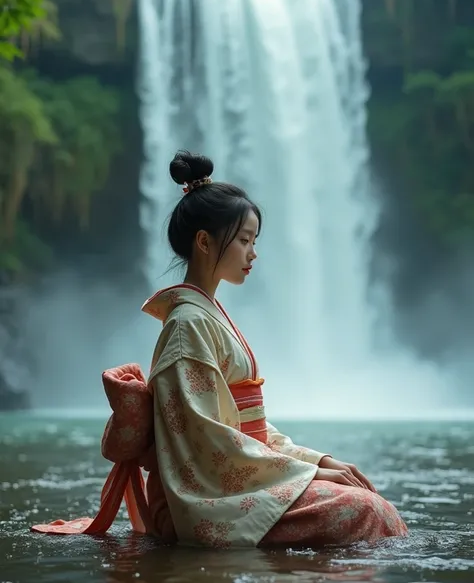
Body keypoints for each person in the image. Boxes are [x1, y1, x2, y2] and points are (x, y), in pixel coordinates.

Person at [31, 149, 408, 548]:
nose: (253, 253)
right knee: (366, 512)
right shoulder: (187, 325)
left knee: (370, 503)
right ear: (204, 242)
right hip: (202, 500)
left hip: (232, 482)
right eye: (244, 240)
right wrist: (306, 474)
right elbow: (207, 441)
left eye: (254, 241)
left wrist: (317, 462)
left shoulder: (204, 317)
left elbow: (247, 427)